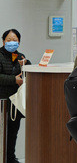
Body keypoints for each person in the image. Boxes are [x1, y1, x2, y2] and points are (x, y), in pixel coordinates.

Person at [0, 29, 30, 163]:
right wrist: (14, 80)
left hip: (15, 102)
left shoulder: (21, 57)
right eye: (9, 40)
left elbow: (27, 75)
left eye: (15, 40)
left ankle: (10, 158)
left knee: (13, 132)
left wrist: (25, 66)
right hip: (1, 100)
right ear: (3, 41)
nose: (12, 42)